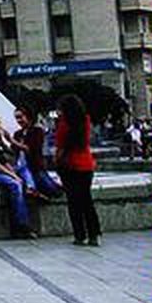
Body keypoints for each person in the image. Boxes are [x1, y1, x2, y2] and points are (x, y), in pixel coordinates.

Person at [55, 94, 101, 246]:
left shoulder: (64, 124)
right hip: (86, 165)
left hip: (69, 166)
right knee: (87, 201)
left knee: (74, 202)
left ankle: (79, 235)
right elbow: (85, 141)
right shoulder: (85, 120)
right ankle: (94, 234)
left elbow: (60, 146)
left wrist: (57, 163)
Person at [9, 106, 60, 198]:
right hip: (22, 168)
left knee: (52, 190)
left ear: (28, 116)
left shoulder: (37, 131)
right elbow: (12, 151)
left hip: (35, 167)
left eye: (20, 117)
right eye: (17, 118)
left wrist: (12, 141)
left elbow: (31, 149)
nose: (18, 120)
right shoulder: (17, 134)